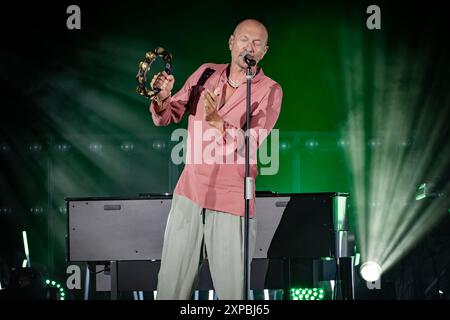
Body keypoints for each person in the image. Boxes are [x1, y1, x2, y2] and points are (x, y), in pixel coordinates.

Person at [149, 18, 283, 300]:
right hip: (190, 192)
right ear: (231, 42)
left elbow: (250, 144)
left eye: (257, 43)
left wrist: (218, 122)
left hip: (231, 200)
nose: (249, 46)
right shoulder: (205, 73)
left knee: (233, 293)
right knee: (170, 287)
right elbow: (168, 115)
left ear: (264, 52)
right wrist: (162, 97)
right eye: (244, 39)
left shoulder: (269, 90)